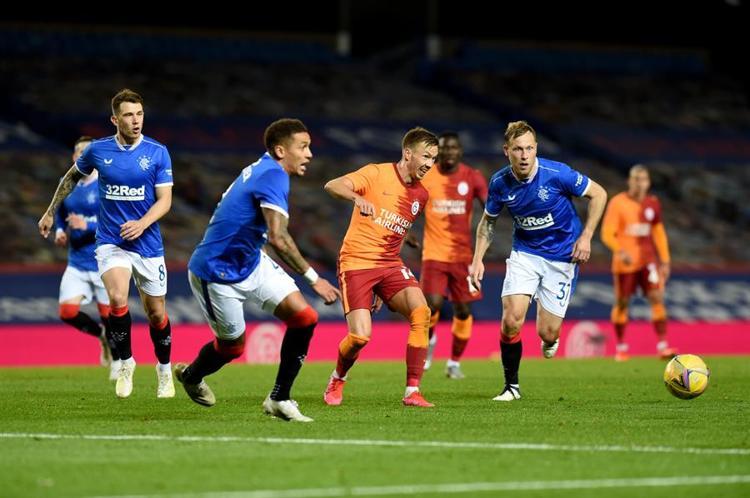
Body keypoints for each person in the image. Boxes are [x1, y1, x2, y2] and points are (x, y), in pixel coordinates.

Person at [176, 118, 340, 422]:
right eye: (303, 147)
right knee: (231, 349)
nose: (309, 154)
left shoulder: (265, 169)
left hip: (251, 261)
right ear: (281, 150)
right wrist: (314, 279)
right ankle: (192, 375)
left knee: (304, 318)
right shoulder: (273, 175)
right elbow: (279, 237)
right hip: (216, 272)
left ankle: (279, 398)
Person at [39, 89, 175, 399]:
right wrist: (50, 212)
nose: (136, 120)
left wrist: (142, 223)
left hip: (147, 243)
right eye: (128, 115)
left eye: (139, 114)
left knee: (156, 314)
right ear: (115, 119)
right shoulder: (98, 150)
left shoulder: (158, 152)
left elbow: (165, 200)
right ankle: (125, 362)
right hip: (111, 241)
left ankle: (164, 370)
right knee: (116, 298)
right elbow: (69, 179)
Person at [470, 120, 607, 401]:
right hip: (526, 254)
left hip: (563, 257)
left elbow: (599, 194)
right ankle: (511, 387)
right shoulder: (499, 183)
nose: (524, 155)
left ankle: (550, 339)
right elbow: (488, 223)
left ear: (536, 149)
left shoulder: (557, 174)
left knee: (547, 332)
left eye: (529, 149)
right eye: (518, 149)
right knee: (511, 320)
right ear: (506, 150)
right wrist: (477, 259)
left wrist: (586, 237)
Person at [323, 127, 439, 408]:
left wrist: (381, 287)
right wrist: (356, 197)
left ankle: (412, 391)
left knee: (421, 312)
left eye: (434, 159)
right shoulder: (376, 173)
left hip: (389, 263)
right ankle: (338, 378)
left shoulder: (421, 195)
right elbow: (332, 185)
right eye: (426, 156)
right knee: (360, 337)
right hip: (356, 262)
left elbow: (393, 231)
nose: (430, 164)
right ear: (408, 153)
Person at [416, 132, 487, 379]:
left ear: (460, 151)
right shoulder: (427, 176)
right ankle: (430, 342)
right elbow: (407, 200)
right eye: (444, 148)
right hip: (433, 253)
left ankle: (454, 363)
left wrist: (485, 240)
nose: (448, 152)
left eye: (453, 148)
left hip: (463, 256)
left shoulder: (472, 177)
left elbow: (490, 207)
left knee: (464, 311)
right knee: (431, 306)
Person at [53, 136, 120, 379]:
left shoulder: (107, 184)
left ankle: (117, 360)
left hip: (104, 261)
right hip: (77, 262)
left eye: (88, 152)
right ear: (74, 157)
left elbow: (116, 223)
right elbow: (59, 211)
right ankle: (100, 335)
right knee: (67, 312)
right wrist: (60, 230)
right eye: (80, 152)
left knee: (110, 316)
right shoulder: (66, 183)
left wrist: (87, 225)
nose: (84, 156)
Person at [600, 164, 676, 361]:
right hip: (625, 263)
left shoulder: (653, 203)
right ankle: (621, 347)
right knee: (622, 303)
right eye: (636, 179)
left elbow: (658, 233)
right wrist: (620, 251)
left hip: (648, 260)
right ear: (629, 181)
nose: (640, 184)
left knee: (657, 297)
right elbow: (607, 233)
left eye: (643, 180)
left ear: (648, 182)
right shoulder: (618, 203)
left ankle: (663, 346)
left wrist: (665, 260)